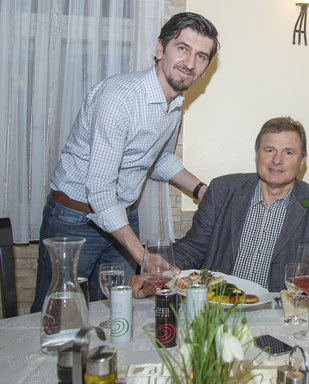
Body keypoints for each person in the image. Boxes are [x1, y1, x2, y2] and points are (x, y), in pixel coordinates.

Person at [31, 12, 220, 312]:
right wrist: (143, 256)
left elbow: (158, 160)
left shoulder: (174, 105)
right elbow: (100, 191)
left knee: (115, 310)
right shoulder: (118, 98)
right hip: (76, 216)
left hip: (121, 218)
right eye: (182, 48)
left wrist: (201, 190)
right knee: (58, 313)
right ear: (160, 49)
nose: (190, 63)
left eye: (201, 56)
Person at [132, 116, 309, 298]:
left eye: (288, 152)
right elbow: (193, 248)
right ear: (257, 154)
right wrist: (159, 275)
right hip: (216, 306)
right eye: (269, 150)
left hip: (278, 314)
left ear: (302, 161)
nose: (277, 160)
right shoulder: (222, 190)